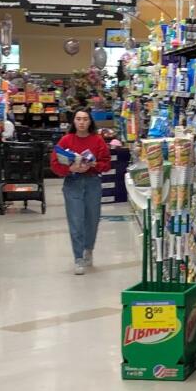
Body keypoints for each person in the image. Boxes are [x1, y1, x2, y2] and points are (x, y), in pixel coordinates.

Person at [50, 108, 110, 273]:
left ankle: (88, 249)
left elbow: (106, 163)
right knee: (76, 221)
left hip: (92, 183)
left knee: (92, 219)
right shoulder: (65, 140)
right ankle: (78, 258)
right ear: (74, 122)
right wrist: (71, 169)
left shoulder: (97, 141)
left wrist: (93, 164)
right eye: (78, 119)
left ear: (90, 122)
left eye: (85, 119)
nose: (82, 122)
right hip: (72, 183)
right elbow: (55, 164)